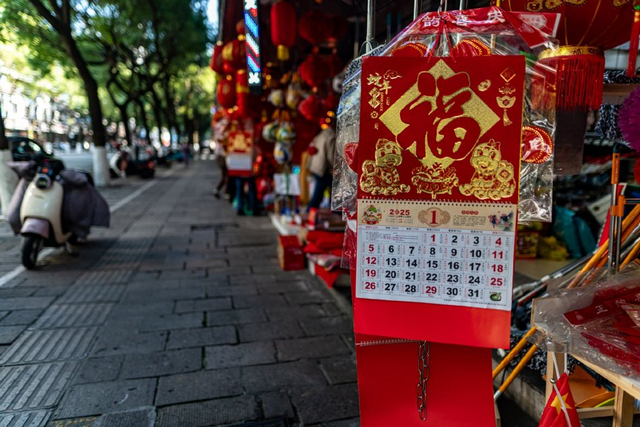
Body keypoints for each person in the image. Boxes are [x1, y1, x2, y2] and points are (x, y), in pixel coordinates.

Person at [306, 120, 336, 211]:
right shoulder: (332, 136)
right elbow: (331, 155)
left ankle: (312, 210)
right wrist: (334, 166)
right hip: (324, 167)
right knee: (320, 191)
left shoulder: (321, 134)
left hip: (316, 166)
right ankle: (311, 210)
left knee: (320, 190)